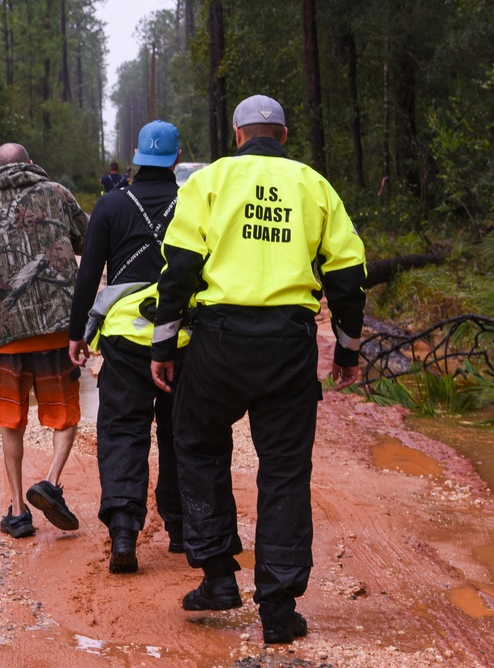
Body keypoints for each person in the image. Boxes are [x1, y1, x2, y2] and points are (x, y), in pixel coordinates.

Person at [149, 95, 367, 644]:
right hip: (288, 345)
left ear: (239, 135)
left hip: (218, 342)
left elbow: (178, 268)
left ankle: (219, 577)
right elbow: (347, 271)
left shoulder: (209, 182)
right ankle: (278, 609)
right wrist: (345, 348)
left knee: (196, 445)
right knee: (285, 470)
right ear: (284, 136)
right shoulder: (313, 186)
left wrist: (162, 343)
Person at [69, 120, 187, 574]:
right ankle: (181, 531)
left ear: (136, 156)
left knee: (122, 430)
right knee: (181, 433)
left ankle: (123, 530)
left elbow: (88, 275)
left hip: (122, 338)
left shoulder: (111, 206)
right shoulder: (194, 204)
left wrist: (76, 333)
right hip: (180, 337)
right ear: (177, 158)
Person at [0, 142, 89, 539]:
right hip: (57, 329)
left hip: (8, 337)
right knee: (64, 416)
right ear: (31, 164)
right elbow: (84, 240)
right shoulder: (58, 194)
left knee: (11, 421)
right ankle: (49, 482)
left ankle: (17, 511)